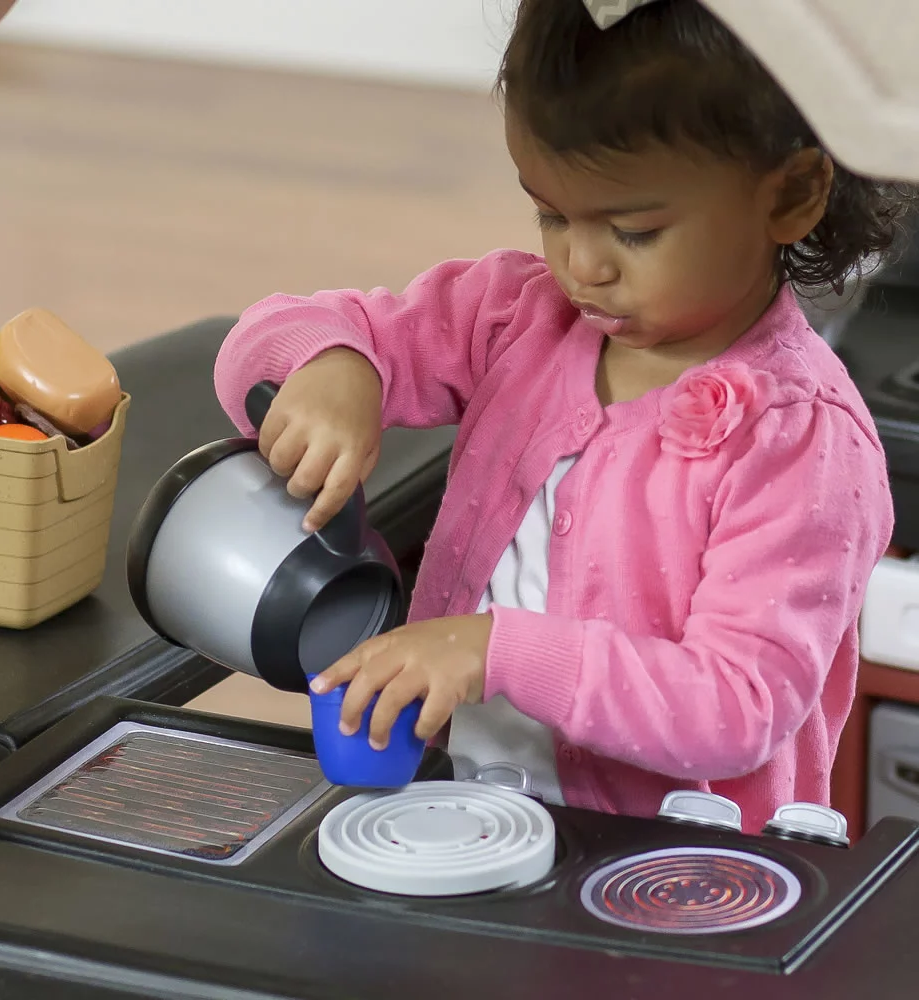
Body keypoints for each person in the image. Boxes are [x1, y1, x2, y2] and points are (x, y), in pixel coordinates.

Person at [214, 0, 909, 833]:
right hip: (461, 815)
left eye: (634, 231)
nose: (581, 264)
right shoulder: (517, 315)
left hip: (673, 882)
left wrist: (495, 651)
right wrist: (333, 369)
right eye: (551, 214)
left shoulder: (801, 439)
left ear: (791, 196)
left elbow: (739, 706)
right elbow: (272, 331)